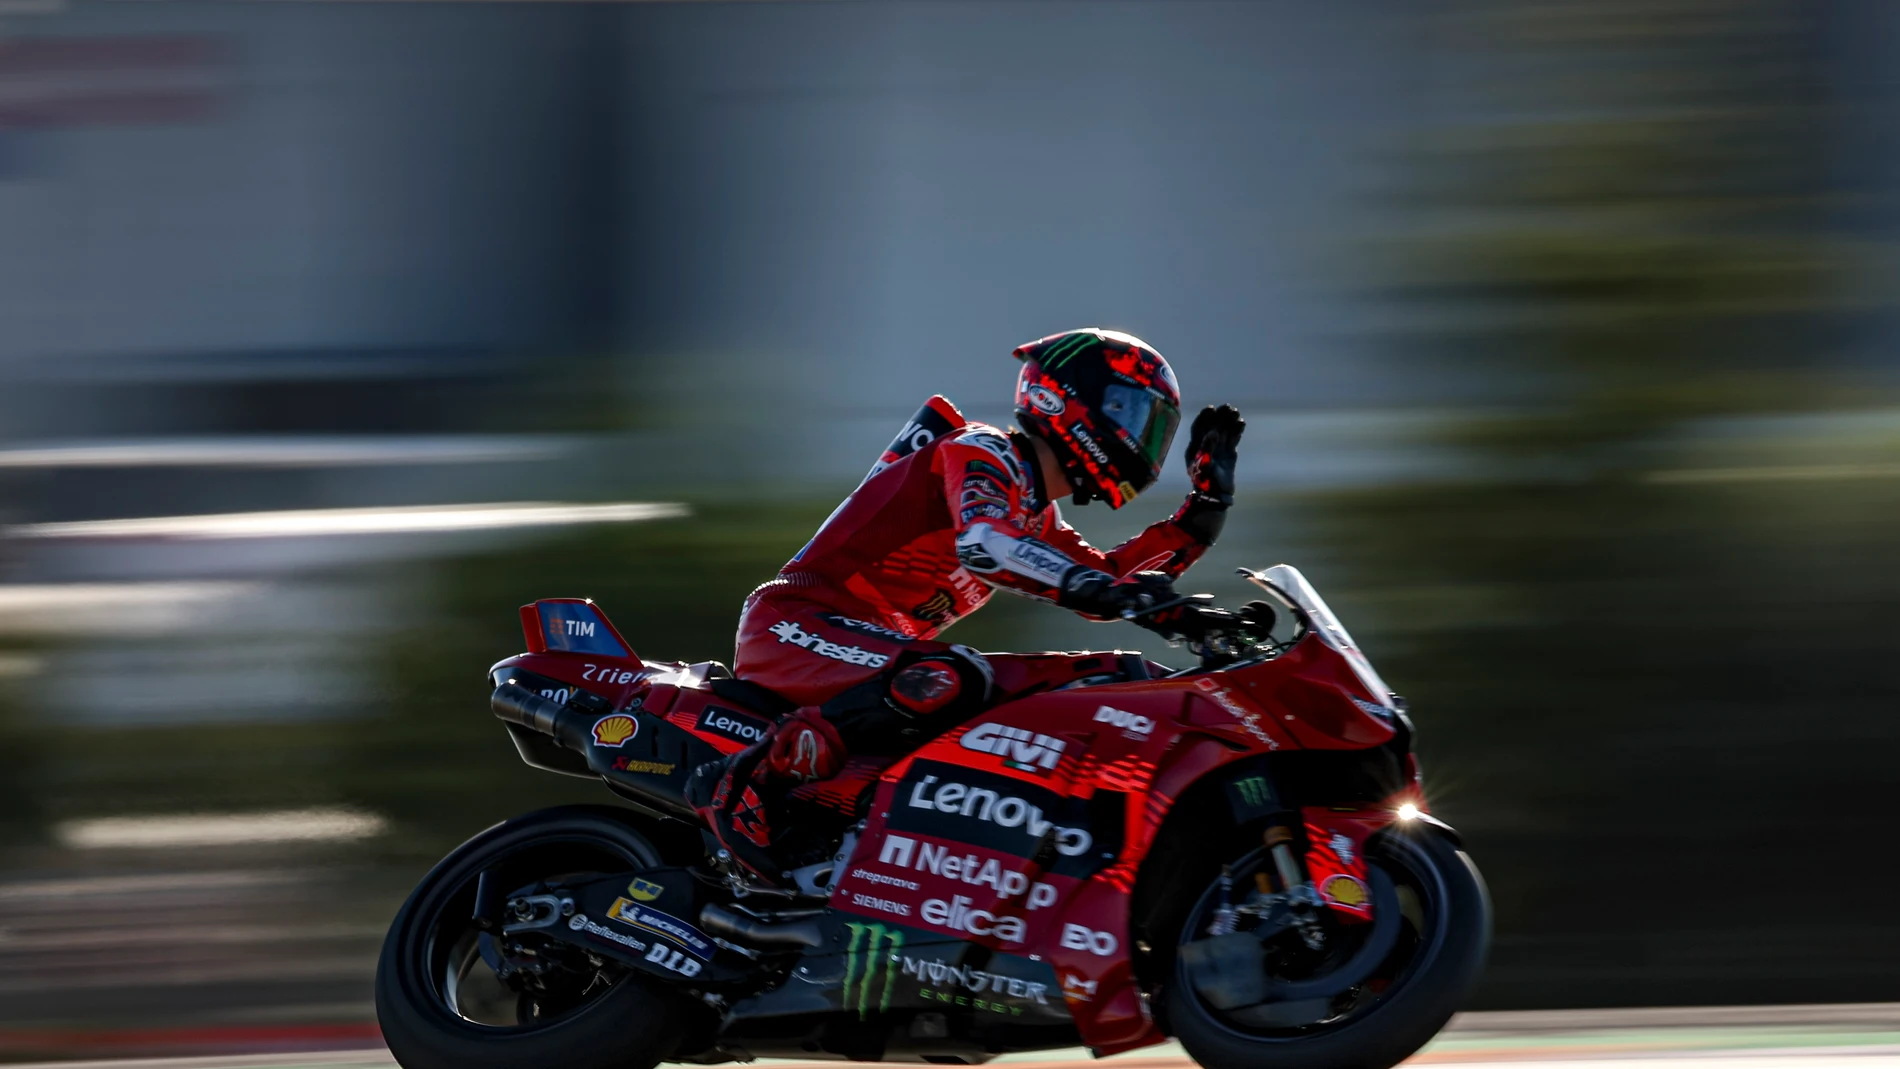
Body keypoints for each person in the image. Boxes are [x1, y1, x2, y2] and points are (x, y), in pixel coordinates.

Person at [689, 328, 1245, 882]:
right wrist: (1132, 598)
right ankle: (742, 784)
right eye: (1127, 412)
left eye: (1151, 429)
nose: (1137, 437)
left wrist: (1203, 513)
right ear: (1062, 396)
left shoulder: (1034, 513)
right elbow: (987, 546)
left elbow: (1104, 585)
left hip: (869, 656)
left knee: (1097, 679)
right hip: (792, 625)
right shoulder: (979, 450)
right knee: (955, 674)